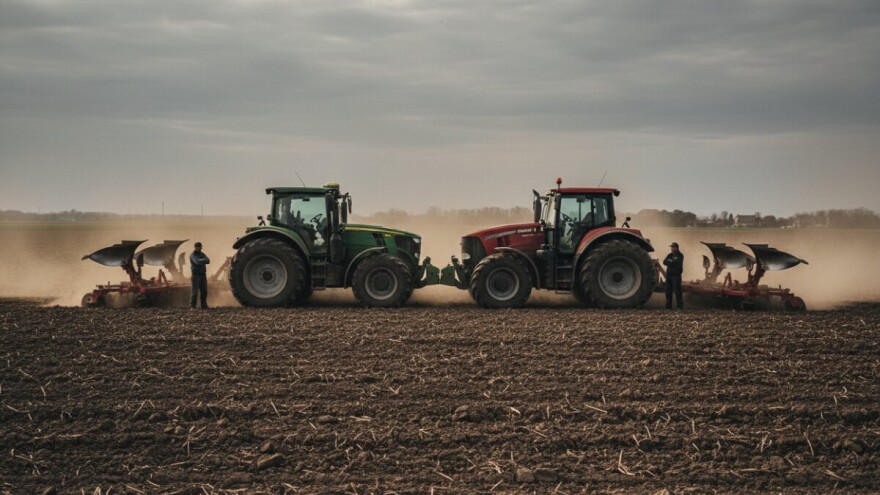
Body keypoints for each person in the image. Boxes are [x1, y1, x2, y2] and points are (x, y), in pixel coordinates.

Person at [663, 242, 684, 309]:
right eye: (671, 247)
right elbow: (664, 262)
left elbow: (676, 262)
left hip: (676, 276)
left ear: (676, 248)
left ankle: (679, 307)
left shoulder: (680, 255)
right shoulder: (670, 255)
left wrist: (669, 261)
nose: (671, 248)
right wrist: (671, 261)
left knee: (677, 291)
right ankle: (668, 307)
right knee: (668, 291)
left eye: (673, 247)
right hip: (669, 276)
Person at [190, 241, 210, 309]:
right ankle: (192, 306)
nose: (198, 248)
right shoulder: (193, 255)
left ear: (201, 247)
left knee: (204, 291)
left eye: (199, 246)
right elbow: (197, 262)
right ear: (195, 247)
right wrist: (203, 260)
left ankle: (204, 305)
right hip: (196, 275)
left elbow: (208, 260)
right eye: (197, 247)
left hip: (203, 275)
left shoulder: (202, 254)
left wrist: (201, 260)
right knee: (195, 292)